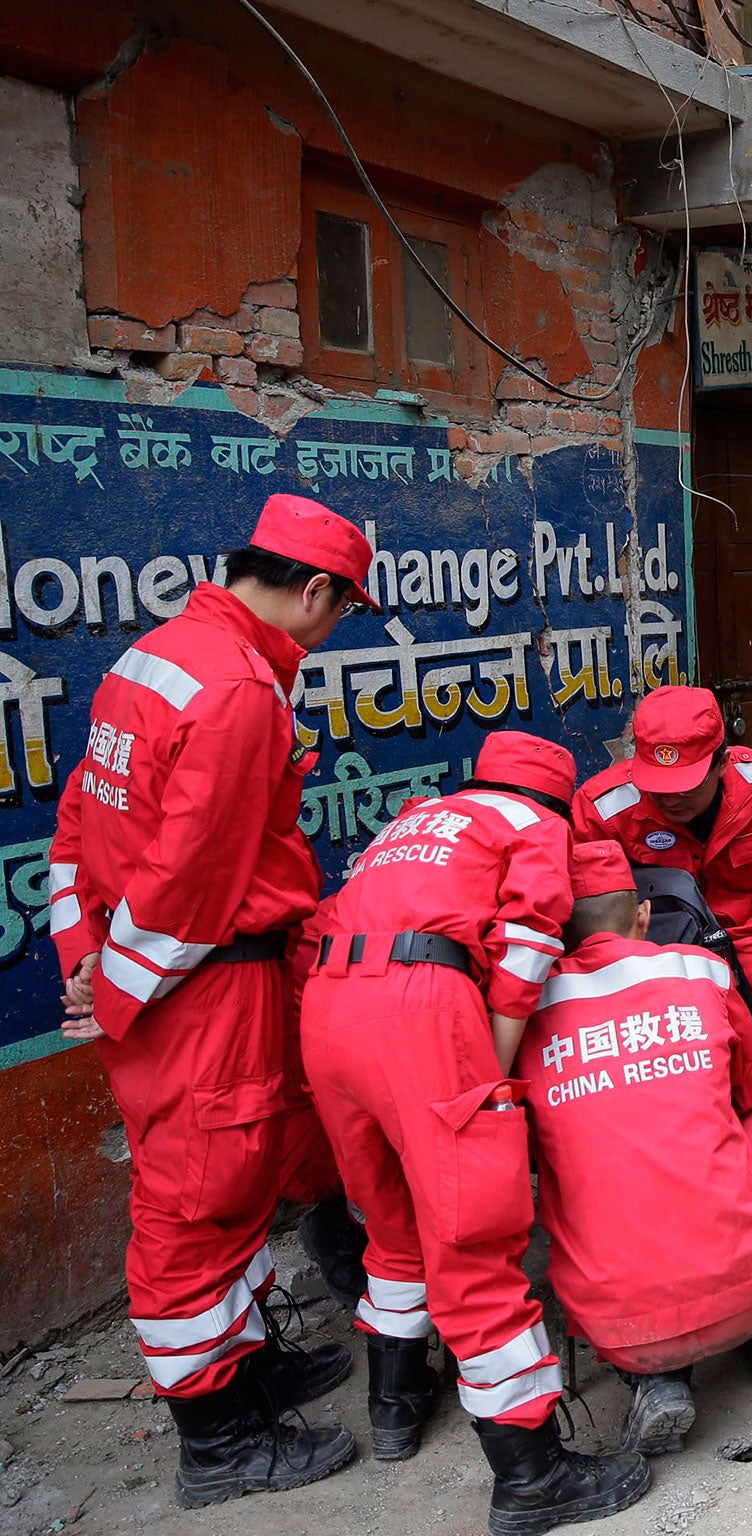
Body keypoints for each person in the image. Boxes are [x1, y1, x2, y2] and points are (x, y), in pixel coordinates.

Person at [45, 493, 377, 1507]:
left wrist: (86, 959)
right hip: (198, 987)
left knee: (231, 1182)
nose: (333, 633)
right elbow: (192, 878)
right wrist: (119, 994)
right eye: (342, 613)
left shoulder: (155, 657)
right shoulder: (237, 690)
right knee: (197, 1201)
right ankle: (218, 1442)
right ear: (312, 589)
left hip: (165, 978)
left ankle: (244, 1368)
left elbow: (79, 824)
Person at [302, 731, 649, 1535]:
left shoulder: (416, 821)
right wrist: (487, 1073)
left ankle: (393, 1407)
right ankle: (531, 1478)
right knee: (473, 1241)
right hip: (420, 1012)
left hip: (327, 1007)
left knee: (393, 1227)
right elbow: (528, 946)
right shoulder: (537, 829)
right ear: (559, 804)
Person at [518, 842, 752, 1455]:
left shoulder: (521, 1012)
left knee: (579, 1157)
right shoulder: (695, 969)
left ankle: (657, 1380)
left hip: (620, 1324)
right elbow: (750, 1085)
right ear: (643, 916)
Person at [572, 685, 752, 1122]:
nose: (672, 798)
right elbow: (585, 913)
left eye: (686, 784)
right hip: (670, 944)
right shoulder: (603, 808)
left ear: (723, 762)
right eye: (659, 783)